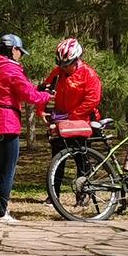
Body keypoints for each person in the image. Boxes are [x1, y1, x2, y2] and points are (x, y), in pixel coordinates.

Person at [0, 34, 52, 224]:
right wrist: (46, 96)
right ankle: (1, 213)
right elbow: (29, 95)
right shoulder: (11, 69)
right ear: (13, 50)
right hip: (7, 122)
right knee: (7, 170)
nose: (21, 56)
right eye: (20, 52)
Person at [41, 38, 104, 194]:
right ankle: (53, 194)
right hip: (61, 122)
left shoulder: (89, 74)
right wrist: (41, 109)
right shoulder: (58, 73)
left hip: (82, 121)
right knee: (57, 158)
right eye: (60, 64)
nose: (63, 68)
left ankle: (83, 194)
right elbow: (44, 91)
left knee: (82, 159)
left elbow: (93, 99)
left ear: (76, 60)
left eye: (67, 64)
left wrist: (72, 116)